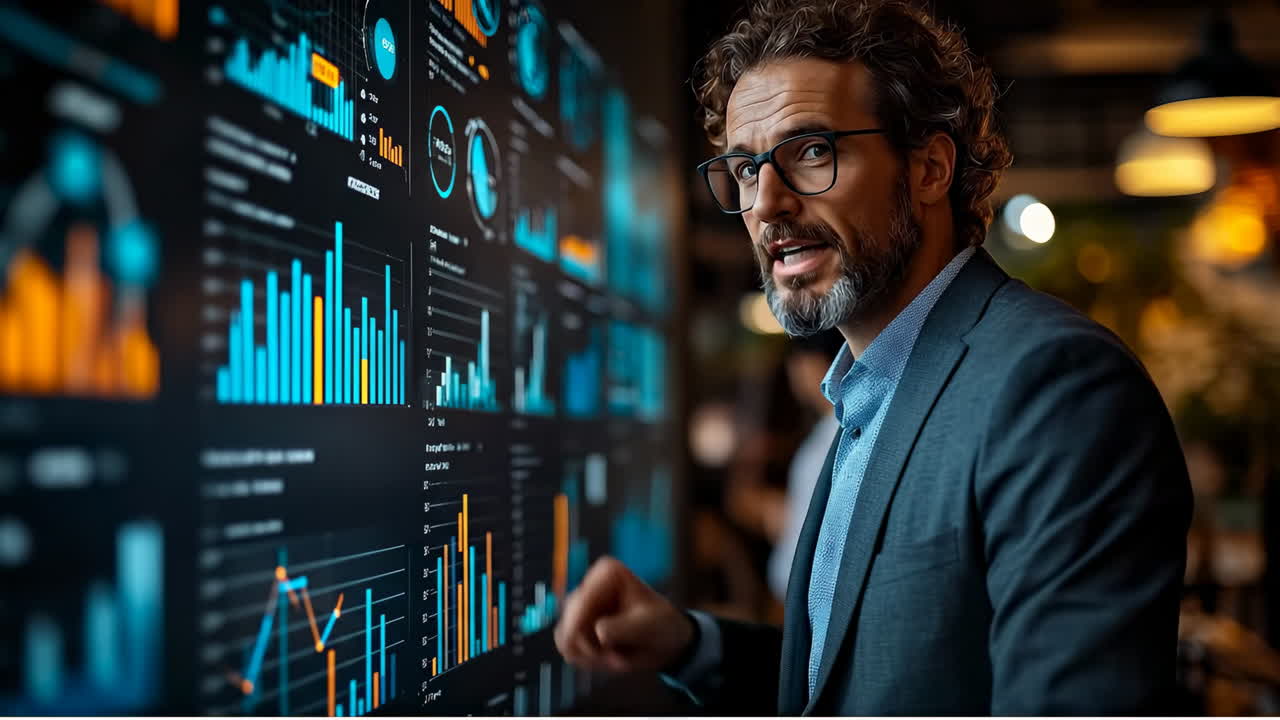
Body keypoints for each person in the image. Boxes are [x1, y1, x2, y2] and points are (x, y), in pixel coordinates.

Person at [554, 0, 1193, 714]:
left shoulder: (1056, 388)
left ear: (929, 169)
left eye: (812, 152)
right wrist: (690, 645)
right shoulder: (870, 393)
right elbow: (875, 682)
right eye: (743, 169)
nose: (766, 204)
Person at [767, 333, 842, 600]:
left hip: (813, 599)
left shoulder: (841, 431)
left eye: (797, 363)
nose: (793, 374)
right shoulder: (826, 429)